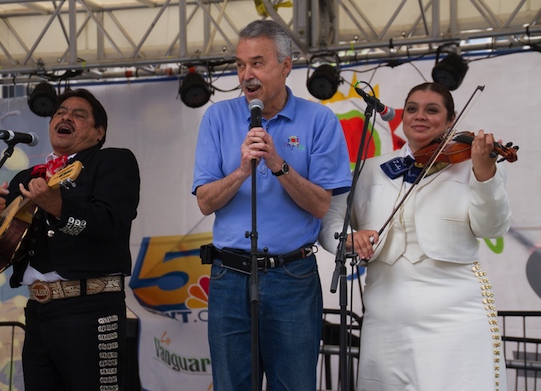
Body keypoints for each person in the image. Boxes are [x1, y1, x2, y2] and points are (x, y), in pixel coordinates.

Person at [319, 81, 512, 391]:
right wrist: (349, 238)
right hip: (386, 320)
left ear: (451, 121)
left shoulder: (475, 165)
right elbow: (330, 221)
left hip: (456, 317)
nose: (420, 116)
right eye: (412, 109)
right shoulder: (369, 169)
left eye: (432, 110)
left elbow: (492, 228)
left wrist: (485, 173)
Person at [192, 20, 352, 390]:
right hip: (229, 276)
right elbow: (204, 202)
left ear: (285, 66)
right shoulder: (217, 117)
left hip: (291, 277)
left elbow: (319, 206)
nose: (246, 75)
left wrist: (279, 165)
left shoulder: (320, 120)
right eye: (239, 65)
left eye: (257, 63)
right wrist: (241, 171)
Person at [0, 88, 140, 391]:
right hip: (38, 311)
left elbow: (111, 223)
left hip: (91, 308)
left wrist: (59, 207)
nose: (66, 116)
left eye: (78, 114)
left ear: (99, 132)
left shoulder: (113, 161)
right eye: (60, 112)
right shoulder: (27, 177)